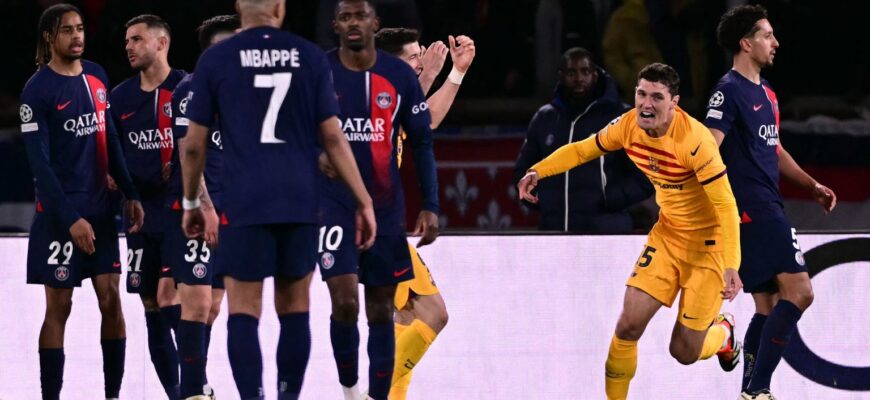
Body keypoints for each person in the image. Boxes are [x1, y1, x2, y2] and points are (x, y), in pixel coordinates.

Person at [179, 0, 376, 399]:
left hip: (244, 199)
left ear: (239, 8)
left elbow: (194, 145)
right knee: (294, 307)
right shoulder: (310, 56)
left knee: (243, 309)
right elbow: (333, 137)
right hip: (300, 199)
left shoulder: (216, 59)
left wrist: (191, 203)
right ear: (281, 8)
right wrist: (364, 201)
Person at [518, 63, 744, 400]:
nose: (646, 104)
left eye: (657, 97)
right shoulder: (627, 126)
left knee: (684, 350)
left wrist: (731, 265)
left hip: (709, 246)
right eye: (641, 94)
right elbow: (582, 149)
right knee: (627, 326)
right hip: (668, 236)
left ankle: (723, 334)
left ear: (674, 103)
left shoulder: (696, 142)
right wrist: (538, 170)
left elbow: (726, 205)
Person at [705, 6, 837, 399]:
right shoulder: (727, 90)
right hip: (752, 209)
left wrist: (811, 184)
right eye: (767, 35)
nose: (775, 43)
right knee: (801, 293)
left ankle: (750, 391)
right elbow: (708, 149)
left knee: (768, 305)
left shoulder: (767, 94)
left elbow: (773, 147)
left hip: (767, 205)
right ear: (746, 44)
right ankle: (758, 389)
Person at [20, 4, 144, 399]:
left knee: (111, 300)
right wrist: (71, 218)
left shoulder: (97, 76)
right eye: (67, 30)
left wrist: (130, 193)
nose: (77, 37)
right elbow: (40, 167)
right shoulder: (36, 91)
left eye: (80, 29)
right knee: (60, 308)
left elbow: (111, 140)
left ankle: (112, 395)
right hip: (59, 218)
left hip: (101, 212)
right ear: (49, 37)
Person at [318, 2, 438, 399]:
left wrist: (431, 204)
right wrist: (314, 156)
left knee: (382, 310)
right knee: (345, 303)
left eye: (361, 16)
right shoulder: (319, 71)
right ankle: (350, 392)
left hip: (385, 209)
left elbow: (421, 141)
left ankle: (377, 396)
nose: (354, 23)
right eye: (346, 17)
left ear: (375, 23)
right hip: (333, 207)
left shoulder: (399, 76)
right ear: (336, 25)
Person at [374, 26, 474, 399]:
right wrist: (429, 75)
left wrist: (456, 73)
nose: (421, 62)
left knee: (409, 317)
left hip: (384, 225)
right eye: (413, 57)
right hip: (367, 225)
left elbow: (424, 118)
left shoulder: (393, 98)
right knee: (431, 314)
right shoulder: (369, 96)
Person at [165, 14, 240, 400]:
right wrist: (203, 206)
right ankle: (193, 391)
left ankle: (198, 384)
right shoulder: (192, 90)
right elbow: (188, 153)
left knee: (212, 307)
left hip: (234, 211)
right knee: (196, 304)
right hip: (197, 211)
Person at [110, 14, 184, 399]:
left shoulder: (188, 89)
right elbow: (110, 152)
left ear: (161, 43)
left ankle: (196, 383)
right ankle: (178, 393)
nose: (129, 47)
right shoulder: (120, 98)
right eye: (127, 41)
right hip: (139, 214)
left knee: (173, 297)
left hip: (180, 211)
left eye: (137, 39)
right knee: (150, 302)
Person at [514, 47, 654, 232]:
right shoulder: (544, 118)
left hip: (606, 232)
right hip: (554, 233)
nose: (579, 78)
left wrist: (610, 198)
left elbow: (647, 175)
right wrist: (545, 200)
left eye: (585, 71)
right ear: (561, 76)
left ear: (595, 75)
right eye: (571, 73)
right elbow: (523, 171)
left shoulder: (621, 117)